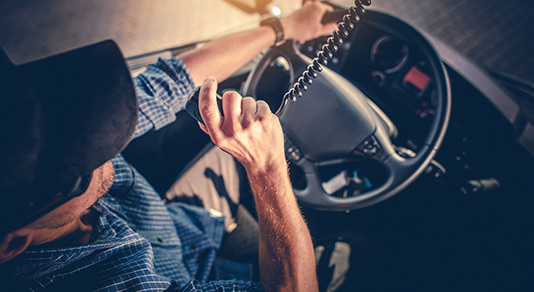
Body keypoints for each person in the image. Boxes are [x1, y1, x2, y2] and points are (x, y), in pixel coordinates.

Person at [0, 2, 339, 291]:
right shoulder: (114, 283)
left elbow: (172, 81)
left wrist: (286, 26)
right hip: (203, 277)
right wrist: (267, 169)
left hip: (193, 227)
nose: (107, 146)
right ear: (13, 243)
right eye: (79, 165)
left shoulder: (43, 151)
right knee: (348, 256)